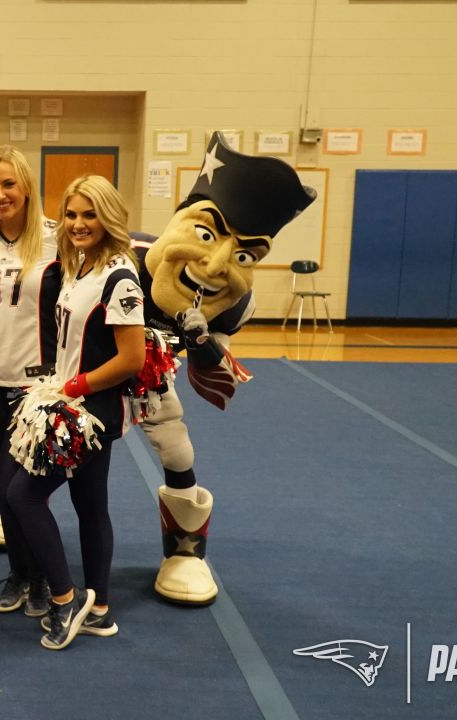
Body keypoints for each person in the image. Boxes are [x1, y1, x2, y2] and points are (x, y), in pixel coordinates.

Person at [138, 132, 316, 605]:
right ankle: (23, 518)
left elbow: (213, 383)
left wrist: (200, 344)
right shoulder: (121, 258)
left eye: (243, 256)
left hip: (151, 377)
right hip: (89, 371)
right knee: (51, 436)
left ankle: (185, 553)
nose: (216, 264)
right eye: (205, 233)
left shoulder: (235, 303)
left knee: (176, 443)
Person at [6, 175, 146, 650]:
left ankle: (66, 599)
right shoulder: (79, 266)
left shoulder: (120, 277)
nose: (79, 223)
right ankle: (100, 609)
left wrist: (75, 386)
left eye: (90, 214)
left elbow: (132, 359)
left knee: (22, 495)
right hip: (69, 399)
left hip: (90, 411)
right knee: (90, 505)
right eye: (72, 214)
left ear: (108, 218)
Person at [0, 145, 61, 617]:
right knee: (1, 485)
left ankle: (39, 576)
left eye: (8, 184)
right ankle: (21, 574)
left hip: (37, 387)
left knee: (18, 487)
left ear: (25, 186)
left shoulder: (55, 239)